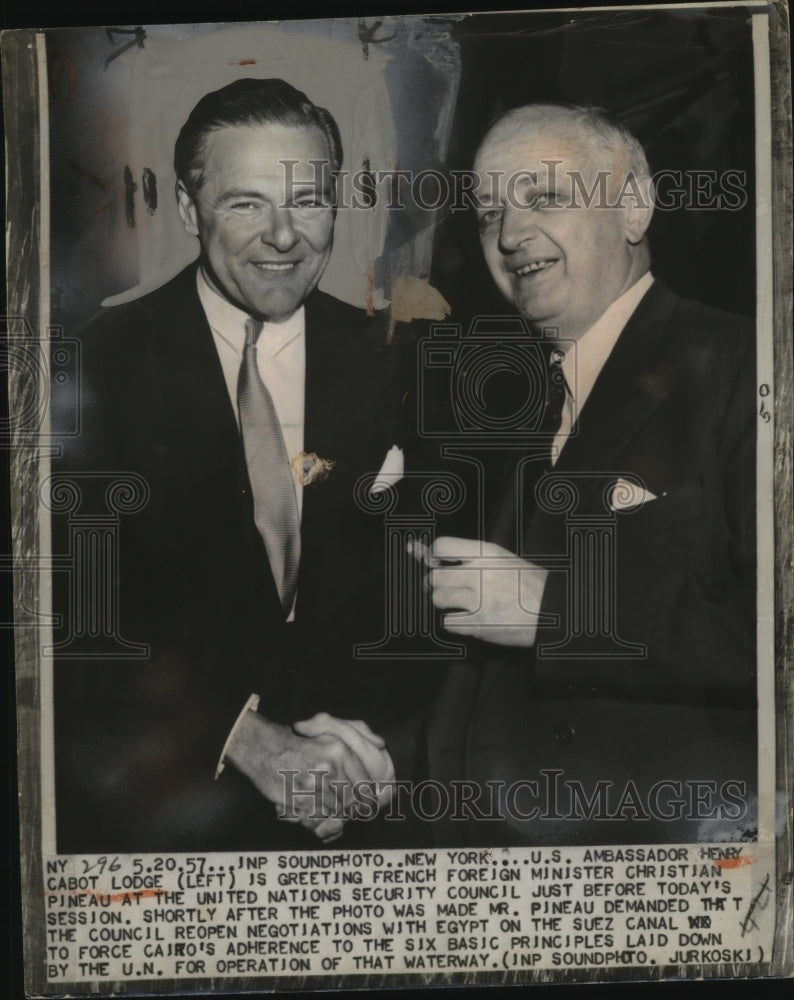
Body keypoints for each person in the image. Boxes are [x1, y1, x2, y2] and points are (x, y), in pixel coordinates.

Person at [52, 78, 424, 852]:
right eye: (247, 203)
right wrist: (243, 739)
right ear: (190, 211)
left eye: (307, 200)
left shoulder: (404, 361)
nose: (283, 236)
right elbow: (53, 623)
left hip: (376, 816)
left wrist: (385, 765)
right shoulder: (94, 369)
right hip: (156, 824)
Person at [417, 104, 757, 845]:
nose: (509, 238)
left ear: (633, 207)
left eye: (544, 199)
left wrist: (558, 614)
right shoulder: (521, 403)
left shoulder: (748, 366)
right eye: (487, 215)